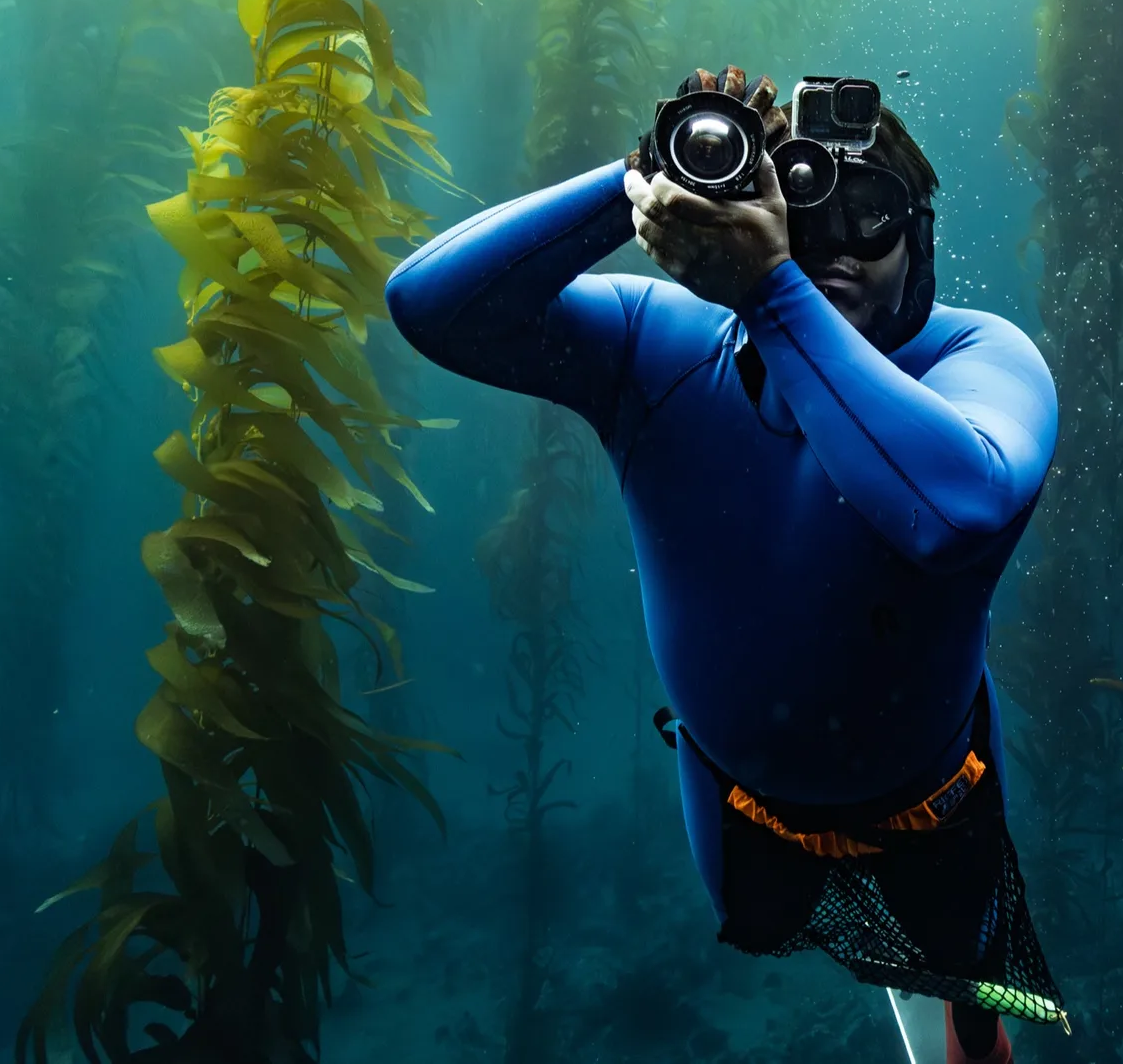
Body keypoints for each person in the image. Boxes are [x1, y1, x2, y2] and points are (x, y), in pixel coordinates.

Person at [385, 67, 1062, 1063]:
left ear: (918, 238)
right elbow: (431, 305)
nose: (825, 242)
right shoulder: (653, 346)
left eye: (864, 210)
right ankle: (925, 983)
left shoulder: (975, 358)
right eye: (792, 200)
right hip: (740, 803)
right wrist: (650, 172)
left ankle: (957, 1006)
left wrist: (770, 287)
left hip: (935, 799)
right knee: (833, 934)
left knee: (962, 990)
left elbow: (950, 513)